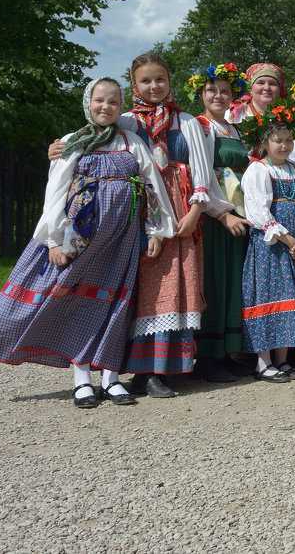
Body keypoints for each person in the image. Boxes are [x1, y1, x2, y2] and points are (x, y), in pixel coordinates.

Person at [0, 79, 176, 407]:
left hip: (123, 240)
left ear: (121, 107)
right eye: (99, 100)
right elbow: (56, 191)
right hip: (81, 240)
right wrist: (54, 241)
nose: (106, 107)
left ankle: (111, 378)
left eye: (113, 102)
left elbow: (152, 186)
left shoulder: (131, 142)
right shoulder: (73, 142)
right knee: (78, 302)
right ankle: (82, 378)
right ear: (88, 103)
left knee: (116, 305)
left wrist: (156, 229)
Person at [124, 53, 235, 397]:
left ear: (170, 82)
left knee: (175, 286)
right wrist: (61, 146)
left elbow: (201, 174)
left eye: (160, 80)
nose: (154, 86)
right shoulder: (126, 122)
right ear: (134, 85)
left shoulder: (187, 123)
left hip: (180, 210)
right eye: (146, 81)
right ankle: (135, 368)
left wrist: (195, 212)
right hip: (139, 208)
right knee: (142, 287)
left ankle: (163, 369)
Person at [238, 99, 295, 383]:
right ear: (265, 143)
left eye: (289, 140)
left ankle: (283, 359)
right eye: (278, 141)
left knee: (292, 295)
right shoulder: (258, 170)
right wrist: (290, 241)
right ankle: (263, 362)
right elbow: (259, 213)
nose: (285, 146)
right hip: (271, 246)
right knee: (268, 296)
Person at [190, 63, 254, 383]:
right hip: (215, 216)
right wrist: (222, 213)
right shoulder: (200, 127)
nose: (218, 95)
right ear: (201, 93)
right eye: (212, 89)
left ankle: (229, 350)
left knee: (233, 281)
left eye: (225, 90)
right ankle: (207, 356)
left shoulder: (235, 129)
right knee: (213, 281)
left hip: (238, 213)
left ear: (233, 97)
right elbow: (201, 176)